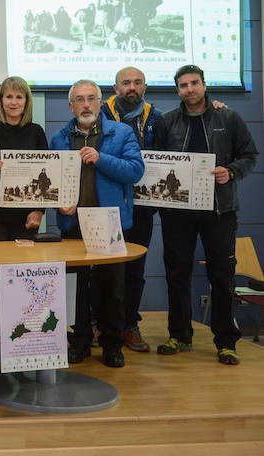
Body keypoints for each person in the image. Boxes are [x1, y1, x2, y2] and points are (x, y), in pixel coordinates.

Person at [154, 65, 257, 365]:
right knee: (177, 275)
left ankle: (226, 342)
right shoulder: (168, 122)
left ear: (204, 84)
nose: (190, 89)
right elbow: (157, 162)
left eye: (194, 83)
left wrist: (232, 171)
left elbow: (249, 155)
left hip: (219, 211)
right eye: (183, 85)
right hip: (178, 213)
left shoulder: (229, 117)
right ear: (177, 90)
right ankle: (180, 335)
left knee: (222, 277)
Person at [50, 79, 144, 368]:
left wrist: (101, 158)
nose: (86, 104)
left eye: (91, 98)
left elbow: (135, 171)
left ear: (101, 102)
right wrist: (58, 201)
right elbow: (51, 180)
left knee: (112, 288)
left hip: (109, 221)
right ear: (71, 106)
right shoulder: (59, 138)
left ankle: (112, 344)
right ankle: (78, 342)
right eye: (79, 99)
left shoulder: (122, 133)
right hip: (73, 223)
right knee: (76, 289)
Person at [0, 76, 47, 361]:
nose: (13, 102)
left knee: (21, 280)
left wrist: (40, 211)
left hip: (24, 217)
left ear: (26, 102)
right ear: (0, 100)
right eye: (8, 97)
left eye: (19, 97)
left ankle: (20, 341)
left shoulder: (36, 132)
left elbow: (46, 176)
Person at [100, 66, 163, 353]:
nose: (132, 87)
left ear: (145, 87)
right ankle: (98, 324)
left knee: (135, 268)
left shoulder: (157, 118)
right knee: (103, 268)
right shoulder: (98, 113)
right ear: (115, 88)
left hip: (142, 206)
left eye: (137, 83)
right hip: (107, 202)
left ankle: (128, 324)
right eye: (126, 83)